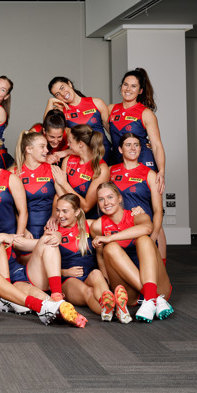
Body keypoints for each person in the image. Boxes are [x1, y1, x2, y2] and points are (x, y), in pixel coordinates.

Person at [90, 182, 172, 323]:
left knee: (145, 240)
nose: (106, 202)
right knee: (110, 248)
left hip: (157, 283)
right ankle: (153, 298)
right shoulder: (97, 226)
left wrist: (110, 237)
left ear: (119, 198)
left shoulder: (137, 215)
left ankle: (151, 296)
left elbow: (147, 228)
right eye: (101, 199)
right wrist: (107, 288)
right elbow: (101, 258)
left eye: (110, 197)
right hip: (129, 292)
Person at [56, 194, 131, 323]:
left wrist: (135, 213)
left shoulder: (90, 225)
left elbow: (120, 224)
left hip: (89, 274)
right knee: (89, 292)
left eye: (65, 211)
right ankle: (116, 310)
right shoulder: (53, 231)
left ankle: (112, 307)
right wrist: (65, 272)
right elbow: (45, 265)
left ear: (77, 212)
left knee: (97, 274)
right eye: (58, 210)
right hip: (68, 279)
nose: (60, 215)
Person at [110, 133, 166, 261]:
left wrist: (153, 236)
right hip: (119, 233)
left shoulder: (151, 175)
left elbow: (157, 210)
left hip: (142, 232)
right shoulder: (110, 171)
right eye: (128, 145)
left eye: (136, 145)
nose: (133, 148)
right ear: (120, 149)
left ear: (141, 149)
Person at [107, 68, 165, 193]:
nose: (128, 89)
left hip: (142, 160)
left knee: (144, 201)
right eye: (125, 84)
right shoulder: (111, 109)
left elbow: (156, 145)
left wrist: (161, 171)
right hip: (119, 161)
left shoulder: (146, 113)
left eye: (133, 86)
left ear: (140, 91)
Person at [45, 76, 112, 162]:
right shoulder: (62, 112)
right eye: (57, 94)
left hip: (105, 154)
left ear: (69, 84)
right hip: (81, 158)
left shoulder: (96, 102)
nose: (62, 94)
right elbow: (48, 126)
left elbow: (111, 130)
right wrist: (50, 102)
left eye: (62, 88)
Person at [52, 124, 109, 219]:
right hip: (68, 217)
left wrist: (65, 184)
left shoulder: (101, 168)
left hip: (89, 220)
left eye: (70, 142)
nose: (68, 145)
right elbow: (59, 192)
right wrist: (55, 216)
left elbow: (86, 207)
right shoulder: (68, 160)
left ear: (80, 144)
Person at [13, 131, 57, 239]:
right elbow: (10, 208)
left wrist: (55, 216)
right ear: (29, 149)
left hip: (52, 228)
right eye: (42, 147)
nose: (47, 150)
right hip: (26, 230)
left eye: (46, 146)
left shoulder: (53, 169)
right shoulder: (14, 173)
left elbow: (63, 196)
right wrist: (23, 230)